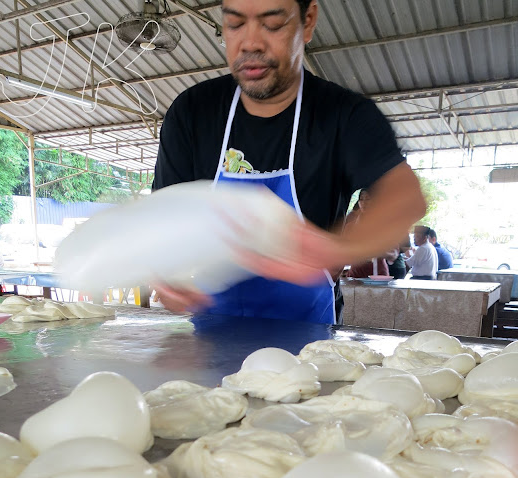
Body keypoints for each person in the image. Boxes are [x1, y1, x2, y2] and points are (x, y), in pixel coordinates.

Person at [153, 0, 426, 323]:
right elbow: (162, 217)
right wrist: (163, 266)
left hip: (307, 346)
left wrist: (335, 249)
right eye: (235, 24)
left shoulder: (343, 115)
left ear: (307, 21)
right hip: (207, 339)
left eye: (272, 23)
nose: (250, 43)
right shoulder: (192, 112)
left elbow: (404, 198)